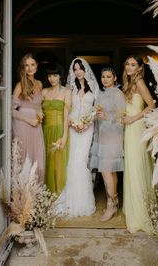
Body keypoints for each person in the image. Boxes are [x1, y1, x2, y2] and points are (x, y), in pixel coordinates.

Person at [54, 57, 100, 217]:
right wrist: (73, 124)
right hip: (73, 127)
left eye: (80, 68)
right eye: (75, 69)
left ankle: (83, 201)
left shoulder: (93, 87)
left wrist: (86, 123)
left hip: (87, 129)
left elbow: (97, 109)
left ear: (85, 69)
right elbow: (67, 110)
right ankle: (69, 200)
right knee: (71, 161)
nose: (78, 71)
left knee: (81, 161)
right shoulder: (69, 88)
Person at [121, 55, 155, 234]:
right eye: (127, 64)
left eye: (133, 64)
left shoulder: (140, 82)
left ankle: (141, 212)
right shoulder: (128, 84)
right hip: (129, 130)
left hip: (138, 128)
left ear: (140, 67)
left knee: (137, 167)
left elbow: (151, 105)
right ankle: (133, 208)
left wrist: (133, 118)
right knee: (131, 167)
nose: (129, 67)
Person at [89, 67, 126, 222]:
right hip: (103, 136)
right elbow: (98, 114)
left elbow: (121, 118)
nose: (105, 79)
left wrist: (106, 116)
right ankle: (114, 202)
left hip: (113, 136)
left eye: (108, 77)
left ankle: (111, 203)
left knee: (105, 171)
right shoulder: (102, 94)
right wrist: (95, 115)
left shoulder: (118, 94)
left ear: (115, 78)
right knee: (111, 171)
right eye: (103, 76)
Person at [12, 53, 45, 183]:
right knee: (24, 160)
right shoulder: (20, 85)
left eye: (32, 64)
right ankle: (22, 196)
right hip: (23, 125)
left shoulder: (40, 84)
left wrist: (40, 113)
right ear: (23, 68)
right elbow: (11, 111)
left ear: (36, 65)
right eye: (27, 65)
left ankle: (34, 194)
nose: (30, 68)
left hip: (36, 125)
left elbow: (38, 105)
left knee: (38, 163)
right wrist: (28, 119)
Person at [42, 63, 71, 196]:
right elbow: (36, 107)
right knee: (46, 162)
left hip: (60, 129)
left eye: (55, 75)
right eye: (49, 76)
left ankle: (59, 195)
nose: (52, 78)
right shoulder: (44, 91)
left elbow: (66, 116)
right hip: (44, 130)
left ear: (60, 76)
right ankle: (47, 194)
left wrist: (65, 136)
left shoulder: (66, 91)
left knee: (58, 163)